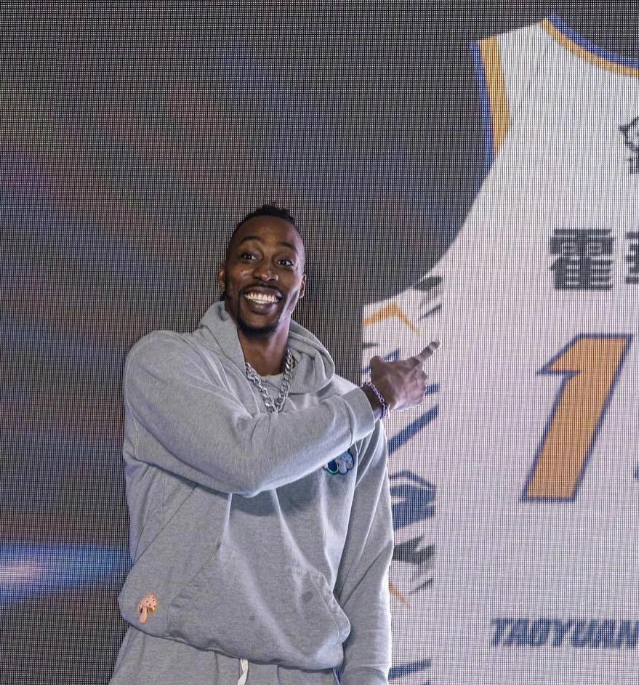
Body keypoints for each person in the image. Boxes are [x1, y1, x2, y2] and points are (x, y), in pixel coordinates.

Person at [109, 204, 437, 685]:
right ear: (224, 274)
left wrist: (369, 677)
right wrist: (374, 401)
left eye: (284, 262)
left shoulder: (350, 409)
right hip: (174, 662)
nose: (265, 271)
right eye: (249, 256)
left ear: (301, 286)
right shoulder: (165, 362)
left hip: (301, 670)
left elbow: (366, 568)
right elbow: (245, 461)